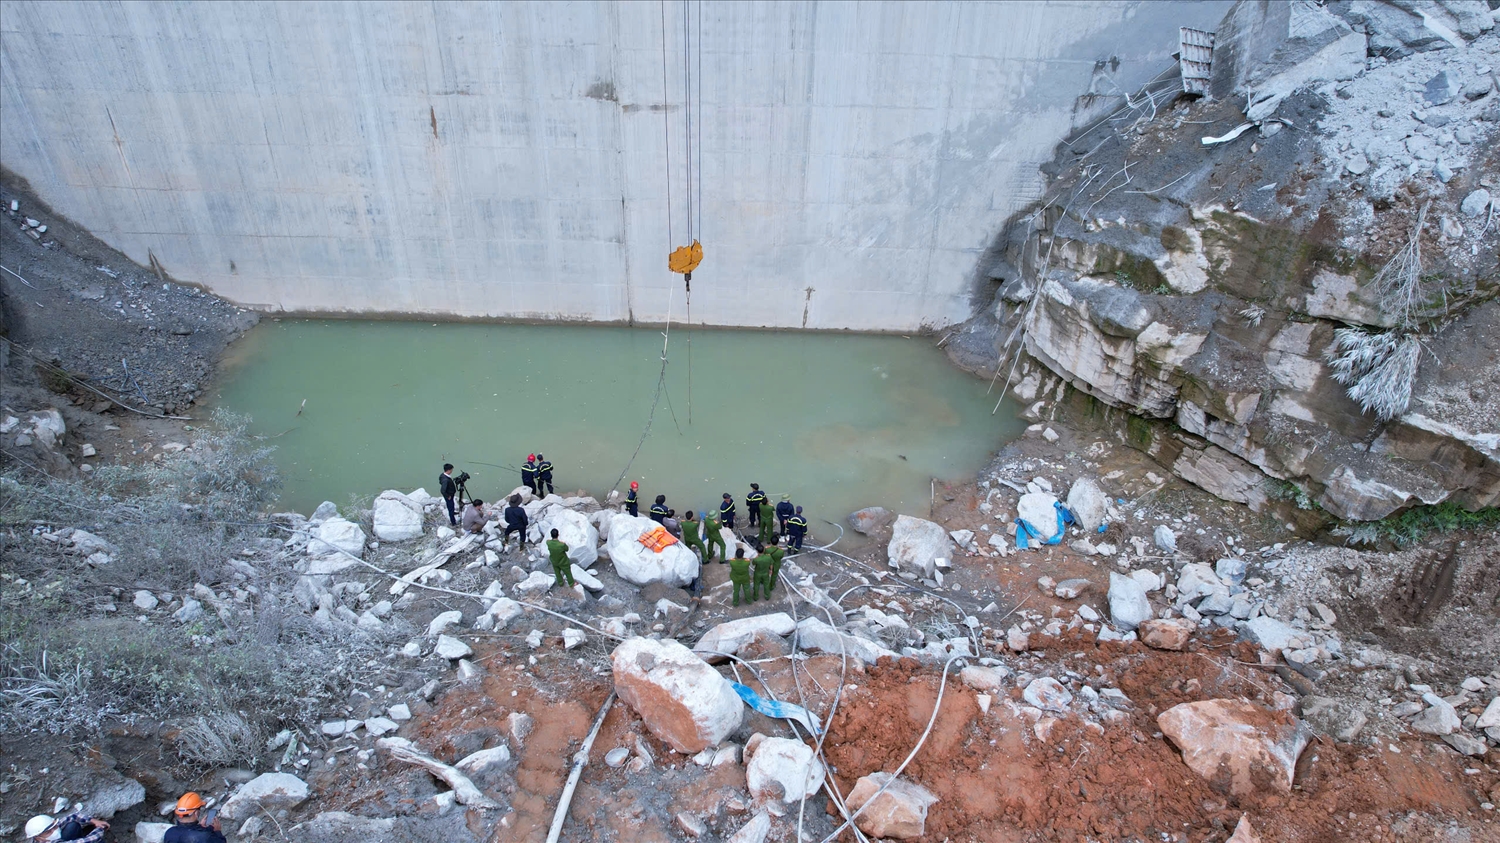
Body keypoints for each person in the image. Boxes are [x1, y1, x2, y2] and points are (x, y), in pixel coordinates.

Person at [24, 812, 109, 843]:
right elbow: (92, 839)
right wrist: (101, 827)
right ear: (38, 838)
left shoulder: (43, 834)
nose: (54, 831)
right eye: (48, 832)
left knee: (72, 825)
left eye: (55, 826)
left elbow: (73, 816)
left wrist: (93, 821)